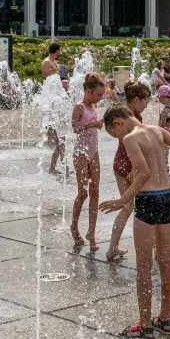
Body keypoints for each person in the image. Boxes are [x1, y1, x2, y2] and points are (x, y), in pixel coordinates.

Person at [98, 105, 170, 339]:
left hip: (147, 200)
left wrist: (122, 200)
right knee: (165, 259)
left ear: (117, 123)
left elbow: (143, 173)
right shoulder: (157, 130)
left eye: (114, 134)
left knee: (144, 265)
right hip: (167, 197)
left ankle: (146, 325)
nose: (118, 139)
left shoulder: (130, 138)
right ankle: (165, 319)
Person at [106, 80, 150, 262]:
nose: (147, 106)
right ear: (137, 100)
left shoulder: (123, 114)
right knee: (146, 205)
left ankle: (112, 247)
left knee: (126, 207)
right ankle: (150, 245)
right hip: (130, 166)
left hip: (119, 164)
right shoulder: (135, 119)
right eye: (146, 103)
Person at [70, 73, 106, 251]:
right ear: (89, 91)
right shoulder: (80, 106)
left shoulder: (92, 107)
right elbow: (75, 129)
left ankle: (91, 233)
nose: (101, 98)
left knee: (95, 193)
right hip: (81, 153)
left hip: (94, 152)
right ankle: (74, 227)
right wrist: (91, 125)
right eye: (98, 95)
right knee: (83, 193)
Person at [42, 43, 68, 175]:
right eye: (59, 50)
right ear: (56, 50)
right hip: (51, 107)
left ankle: (61, 166)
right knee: (59, 141)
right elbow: (48, 79)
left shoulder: (54, 61)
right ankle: (56, 167)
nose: (60, 52)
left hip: (58, 105)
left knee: (62, 140)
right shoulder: (46, 62)